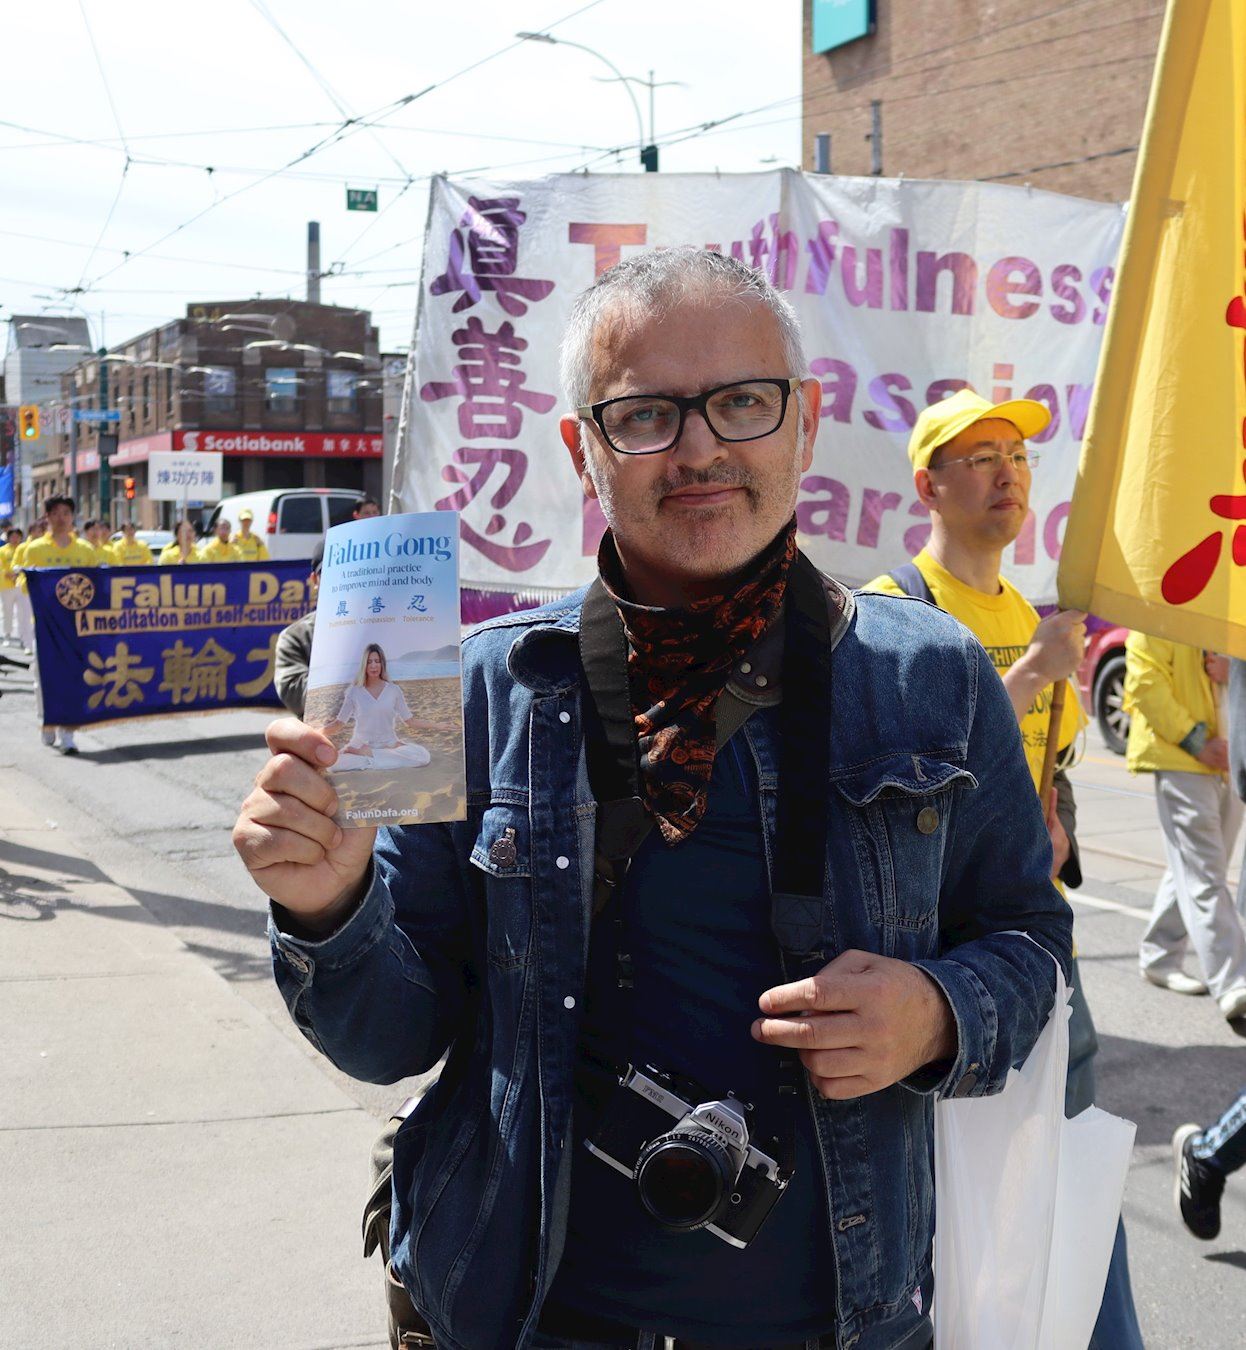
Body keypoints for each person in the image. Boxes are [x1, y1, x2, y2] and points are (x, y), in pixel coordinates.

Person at [233, 248, 1072, 1350]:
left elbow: (1030, 940)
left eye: (742, 403)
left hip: (846, 1324)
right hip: (526, 1320)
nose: (700, 449)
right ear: (582, 450)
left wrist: (937, 1012)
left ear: (805, 423)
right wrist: (327, 907)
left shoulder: (932, 678)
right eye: (644, 416)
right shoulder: (485, 689)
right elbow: (387, 1036)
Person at [865, 388, 1142, 1350]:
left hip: (1035, 946)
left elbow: (1047, 777)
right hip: (938, 965)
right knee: (941, 1200)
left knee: (1064, 1183)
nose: (1006, 475)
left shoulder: (1031, 612)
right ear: (929, 486)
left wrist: (1056, 834)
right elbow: (897, 774)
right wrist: (1026, 677)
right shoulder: (892, 612)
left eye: (1017, 457)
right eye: (980, 457)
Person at [1126, 636, 1246, 1020]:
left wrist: (1236, 672)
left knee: (1196, 868)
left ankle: (1159, 955)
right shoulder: (1159, 613)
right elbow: (1144, 681)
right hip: (1182, 757)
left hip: (1230, 758)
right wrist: (1196, 740)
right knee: (1206, 873)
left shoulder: (1230, 613)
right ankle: (1234, 982)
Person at [19, 495, 100, 755]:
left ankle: (67, 733)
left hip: (76, 625)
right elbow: (25, 587)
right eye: (55, 513)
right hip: (45, 625)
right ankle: (47, 720)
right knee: (43, 676)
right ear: (47, 517)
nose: (61, 518)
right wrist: (29, 579)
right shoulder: (35, 549)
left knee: (73, 677)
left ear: (72, 516)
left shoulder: (85, 550)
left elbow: (97, 585)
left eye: (65, 513)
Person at [319, 643, 443, 770]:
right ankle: (376, 757)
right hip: (361, 744)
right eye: (369, 662)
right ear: (364, 665)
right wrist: (317, 732)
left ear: (382, 663)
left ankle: (370, 755)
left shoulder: (394, 690)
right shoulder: (354, 691)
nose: (373, 665)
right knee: (333, 765)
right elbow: (339, 723)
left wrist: (437, 725)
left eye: (377, 661)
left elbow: (410, 721)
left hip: (389, 744)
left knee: (423, 756)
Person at [274, 539, 321, 717]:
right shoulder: (295, 637)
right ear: (314, 579)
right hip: (325, 732)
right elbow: (293, 693)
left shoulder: (385, 626)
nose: (342, 582)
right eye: (331, 573)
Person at [12, 517, 46, 653]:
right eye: (35, 530)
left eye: (40, 531)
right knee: (25, 617)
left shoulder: (45, 547)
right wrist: (22, 569)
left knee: (38, 618)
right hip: (26, 586)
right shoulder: (23, 547)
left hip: (43, 587)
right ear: (31, 531)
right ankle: (27, 644)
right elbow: (15, 564)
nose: (38, 533)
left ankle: (36, 644)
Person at [0, 526, 23, 644]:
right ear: (8, 538)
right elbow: (1, 566)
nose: (15, 539)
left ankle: (23, 636)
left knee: (22, 613)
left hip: (21, 585)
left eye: (17, 536)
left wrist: (18, 576)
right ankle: (7, 635)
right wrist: (8, 574)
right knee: (7, 611)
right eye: (12, 536)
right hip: (6, 585)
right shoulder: (2, 550)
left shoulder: (23, 549)